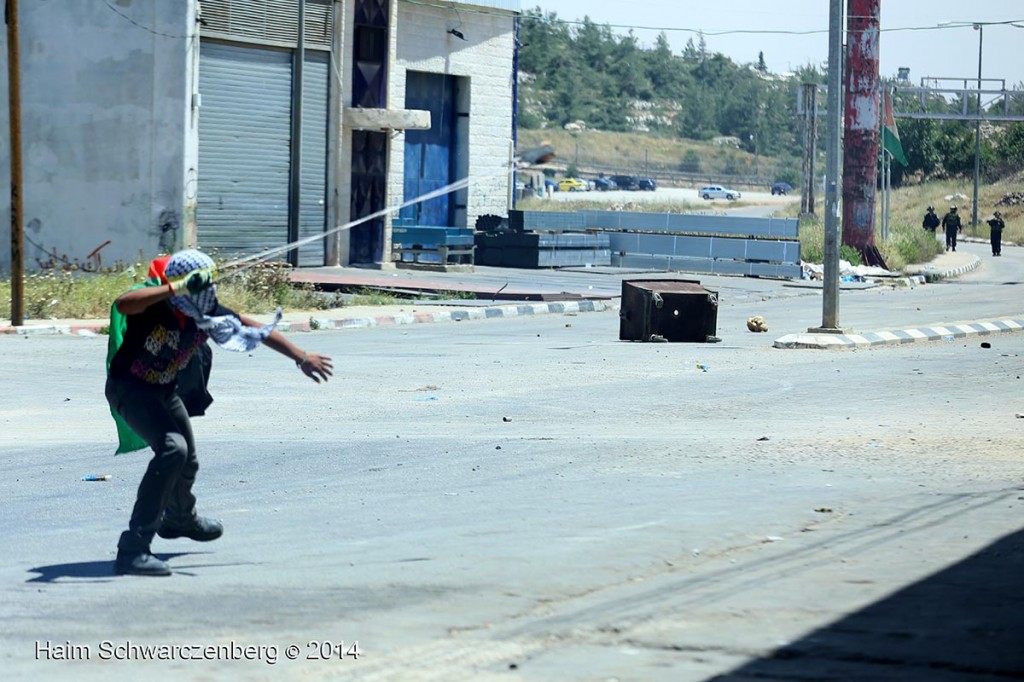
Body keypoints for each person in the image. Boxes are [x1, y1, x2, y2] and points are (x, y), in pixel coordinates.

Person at [105, 249, 333, 576]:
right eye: (198, 286)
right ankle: (132, 548)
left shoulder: (207, 311)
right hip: (131, 389)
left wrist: (300, 355)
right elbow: (124, 303)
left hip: (163, 391)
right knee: (173, 450)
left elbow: (251, 326)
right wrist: (175, 289)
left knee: (188, 459)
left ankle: (180, 519)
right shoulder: (157, 304)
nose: (207, 294)